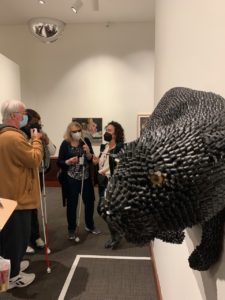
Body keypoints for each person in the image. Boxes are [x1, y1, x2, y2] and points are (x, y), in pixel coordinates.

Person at [0, 99, 43, 289]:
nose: (26, 117)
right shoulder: (13, 137)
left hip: (6, 194)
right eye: (23, 114)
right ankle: (13, 277)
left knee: (7, 238)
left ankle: (12, 267)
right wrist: (36, 140)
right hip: (17, 198)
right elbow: (34, 159)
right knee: (16, 240)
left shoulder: (3, 135)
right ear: (14, 116)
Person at [20, 109, 56, 255]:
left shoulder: (41, 133)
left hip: (38, 174)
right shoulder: (20, 135)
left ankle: (35, 237)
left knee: (34, 207)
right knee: (23, 210)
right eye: (36, 121)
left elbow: (52, 151)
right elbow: (27, 155)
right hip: (24, 177)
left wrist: (45, 140)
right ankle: (24, 242)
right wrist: (33, 140)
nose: (38, 124)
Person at [57, 121, 100, 240]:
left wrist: (88, 152)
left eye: (78, 130)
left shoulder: (85, 141)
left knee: (90, 202)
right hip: (71, 178)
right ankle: (71, 229)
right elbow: (59, 162)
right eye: (74, 131)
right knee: (72, 205)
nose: (77, 133)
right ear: (69, 132)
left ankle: (90, 225)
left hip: (85, 178)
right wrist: (68, 161)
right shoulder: (65, 144)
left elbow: (91, 160)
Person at [93, 121, 125, 249]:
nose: (106, 132)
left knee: (104, 209)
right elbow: (100, 163)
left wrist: (106, 170)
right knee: (106, 210)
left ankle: (116, 235)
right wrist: (95, 160)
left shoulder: (120, 147)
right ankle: (116, 234)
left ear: (116, 134)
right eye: (106, 130)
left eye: (109, 130)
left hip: (112, 183)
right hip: (102, 182)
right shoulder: (103, 147)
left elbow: (121, 166)